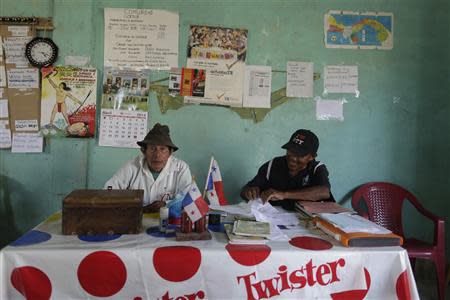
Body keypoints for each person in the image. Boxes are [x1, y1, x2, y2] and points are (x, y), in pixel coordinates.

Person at [104, 123, 192, 213]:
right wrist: (138, 208)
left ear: (170, 153)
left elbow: (188, 198)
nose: (157, 155)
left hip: (169, 222)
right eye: (153, 149)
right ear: (143, 151)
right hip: (135, 220)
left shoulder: (181, 168)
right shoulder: (131, 167)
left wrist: (166, 204)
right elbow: (108, 191)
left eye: (162, 149)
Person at [240, 129, 334, 211]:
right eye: (290, 151)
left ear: (312, 157)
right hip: (276, 220)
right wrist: (249, 191)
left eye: (299, 155)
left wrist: (283, 194)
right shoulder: (273, 165)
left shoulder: (316, 168)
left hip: (309, 222)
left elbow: (324, 192)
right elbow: (245, 190)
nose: (293, 158)